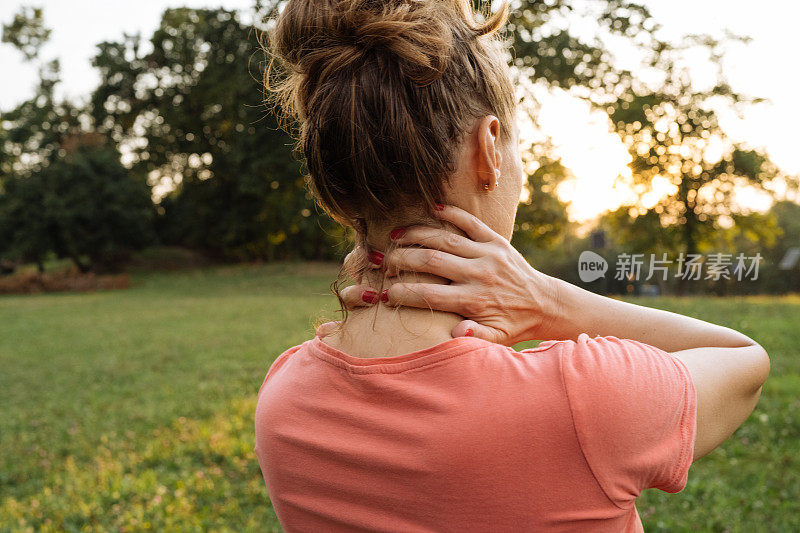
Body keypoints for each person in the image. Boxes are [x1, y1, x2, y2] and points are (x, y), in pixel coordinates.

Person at [254, 0, 770, 531]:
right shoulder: (587, 398)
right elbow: (744, 361)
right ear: (490, 149)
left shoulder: (285, 401)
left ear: (338, 188)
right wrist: (548, 299)